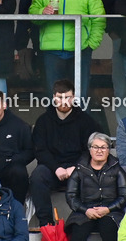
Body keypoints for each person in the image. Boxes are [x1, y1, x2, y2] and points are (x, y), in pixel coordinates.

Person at [29, 0, 106, 98]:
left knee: (79, 97)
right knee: (54, 98)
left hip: (80, 49)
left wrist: (91, 44)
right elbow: (32, 13)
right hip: (51, 50)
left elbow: (99, 18)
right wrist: (42, 12)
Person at [28, 79, 99, 226]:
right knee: (37, 177)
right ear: (54, 97)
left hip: (78, 167)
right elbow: (40, 151)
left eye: (67, 97)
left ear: (73, 97)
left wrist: (76, 167)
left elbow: (92, 149)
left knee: (92, 177)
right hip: (52, 168)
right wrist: (56, 168)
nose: (64, 101)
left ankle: (84, 223)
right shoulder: (43, 121)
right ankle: (46, 225)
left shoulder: (86, 121)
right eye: (60, 97)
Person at [65, 132, 126, 241]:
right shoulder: (80, 169)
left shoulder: (117, 169)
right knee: (78, 228)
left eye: (103, 147)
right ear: (90, 149)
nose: (99, 151)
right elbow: (70, 196)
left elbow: (124, 196)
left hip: (110, 211)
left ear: (108, 150)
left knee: (110, 227)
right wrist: (85, 210)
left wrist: (108, 209)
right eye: (95, 147)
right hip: (84, 210)